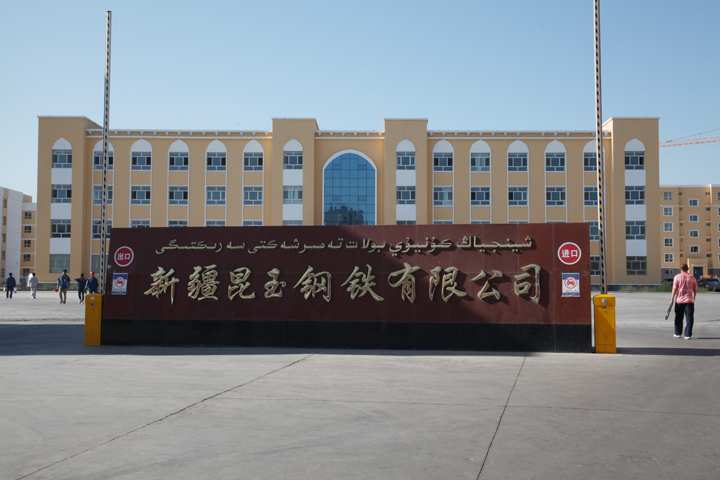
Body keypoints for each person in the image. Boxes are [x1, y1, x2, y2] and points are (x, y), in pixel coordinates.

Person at [670, 263, 698, 339]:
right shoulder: (692, 278)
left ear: (680, 269)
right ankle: (688, 334)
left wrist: (672, 298)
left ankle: (678, 333)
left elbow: (675, 288)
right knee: (689, 318)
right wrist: (694, 297)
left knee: (678, 317)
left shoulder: (677, 277)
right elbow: (695, 288)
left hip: (679, 301)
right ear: (688, 269)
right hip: (689, 300)